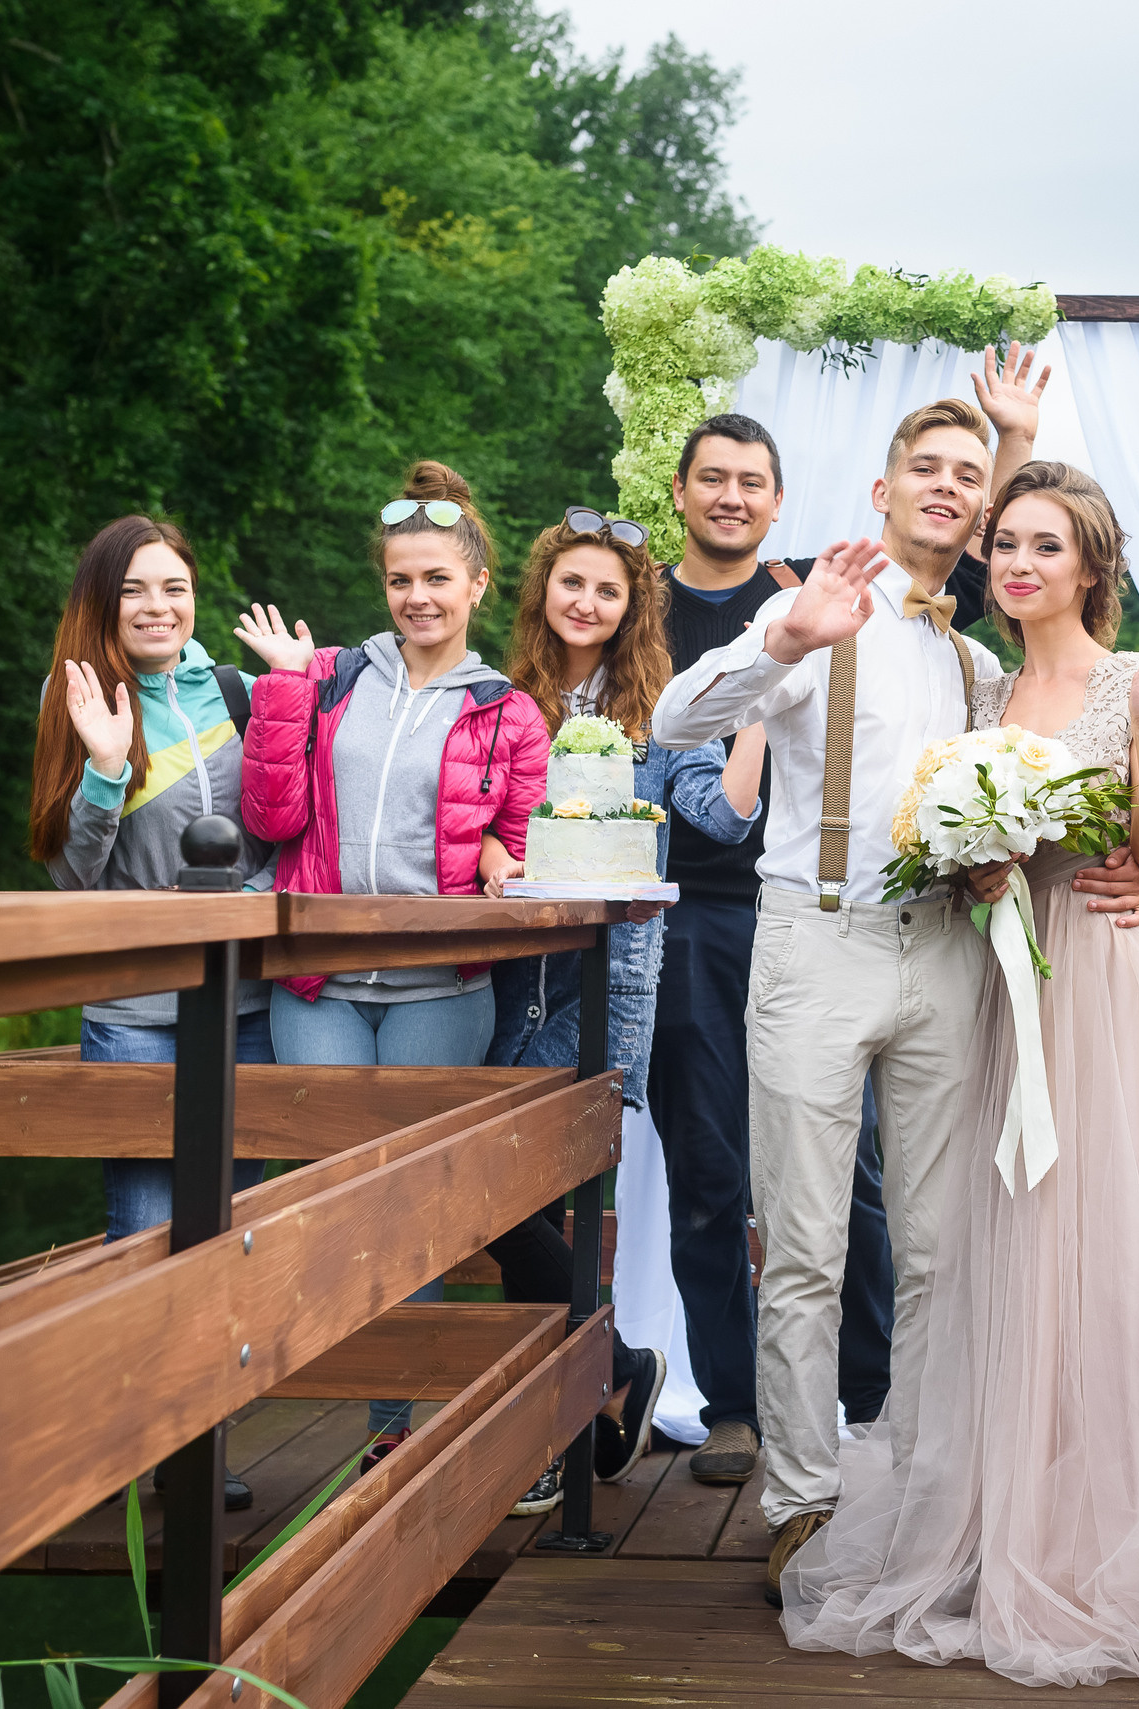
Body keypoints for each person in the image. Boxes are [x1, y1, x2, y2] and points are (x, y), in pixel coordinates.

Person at [782, 461, 1139, 1687]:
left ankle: (1123, 1526)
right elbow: (948, 838)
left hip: (1106, 973)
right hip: (1001, 984)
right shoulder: (982, 687)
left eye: (1046, 545)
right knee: (1009, 1249)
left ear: (1092, 565)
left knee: (1111, 1247)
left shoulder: (1133, 681)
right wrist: (974, 863)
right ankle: (1017, 1516)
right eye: (1006, 544)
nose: (1018, 564)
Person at [649, 355, 1139, 1491]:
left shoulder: (974, 658)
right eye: (925, 468)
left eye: (968, 476)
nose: (946, 486)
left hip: (946, 953)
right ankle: (802, 1495)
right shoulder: (815, 608)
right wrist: (784, 639)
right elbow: (677, 718)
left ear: (982, 509)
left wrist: (1109, 851)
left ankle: (921, 1486)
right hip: (816, 941)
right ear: (883, 490)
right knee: (804, 1247)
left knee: (935, 1248)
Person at [234, 459, 550, 1462]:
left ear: (476, 586)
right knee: (338, 1199)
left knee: (410, 1202)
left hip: (441, 990)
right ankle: (343, 1383)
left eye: (436, 579)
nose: (418, 597)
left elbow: (525, 846)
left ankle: (389, 1431)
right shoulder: (330, 676)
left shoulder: (509, 710)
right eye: (400, 579)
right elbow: (270, 816)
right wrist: (285, 691)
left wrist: (506, 854)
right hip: (317, 982)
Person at [474, 507, 760, 1512]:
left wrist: (758, 715)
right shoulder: (499, 699)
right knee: (504, 1194)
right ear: (543, 592)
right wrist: (488, 846)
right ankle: (609, 1376)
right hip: (506, 976)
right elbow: (465, 814)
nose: (588, 603)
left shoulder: (662, 709)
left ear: (633, 606)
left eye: (609, 590)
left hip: (608, 978)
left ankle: (576, 1419)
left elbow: (721, 816)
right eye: (573, 583)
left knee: (556, 1188)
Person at [32, 513, 275, 1512]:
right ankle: (132, 1446)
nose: (157, 606)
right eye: (135, 588)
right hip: (136, 1009)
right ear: (104, 600)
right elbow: (70, 878)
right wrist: (102, 763)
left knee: (232, 1231)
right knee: (142, 1232)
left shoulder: (236, 693)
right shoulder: (80, 695)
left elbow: (279, 837)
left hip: (246, 1003)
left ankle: (200, 1445)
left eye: (173, 586)